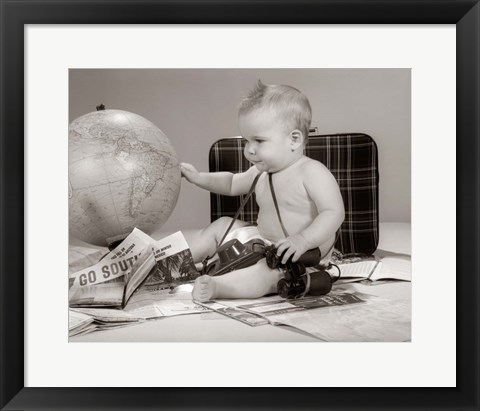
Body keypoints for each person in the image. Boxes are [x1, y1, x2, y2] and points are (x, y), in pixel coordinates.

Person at [181, 80, 345, 302]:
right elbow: (231, 183)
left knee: (267, 274)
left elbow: (333, 212)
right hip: (264, 242)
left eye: (258, 140)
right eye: (247, 140)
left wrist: (303, 240)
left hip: (299, 255)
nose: (249, 149)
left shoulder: (312, 171)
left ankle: (219, 287)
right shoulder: (261, 171)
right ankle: (178, 261)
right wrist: (198, 178)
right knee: (221, 225)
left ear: (294, 139)